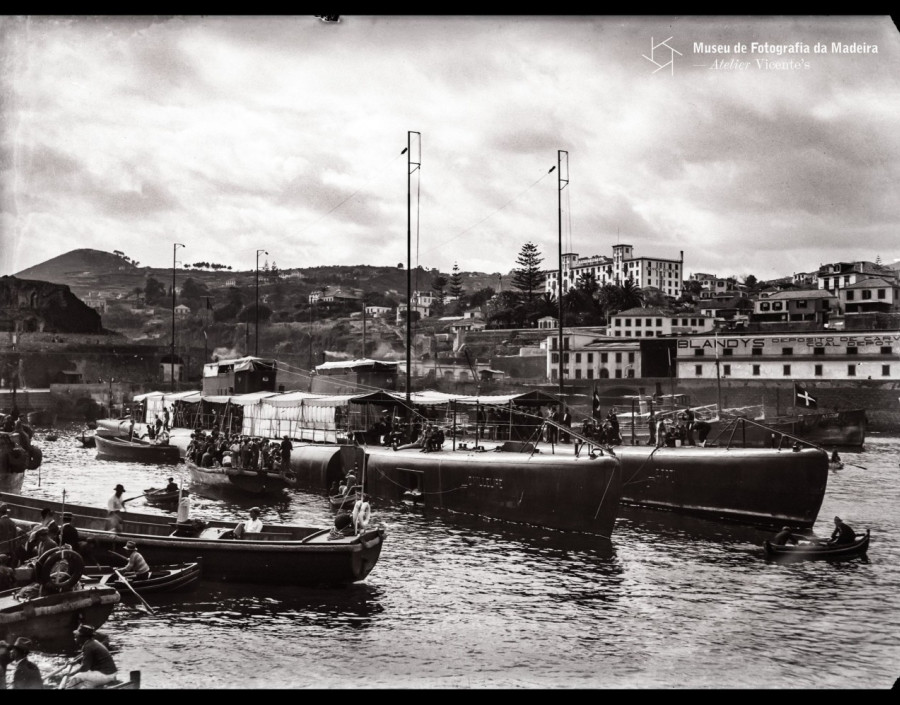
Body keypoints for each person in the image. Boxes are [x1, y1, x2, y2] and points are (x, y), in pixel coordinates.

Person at [67, 625, 117, 689]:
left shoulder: (88, 646)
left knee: (76, 677)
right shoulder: (92, 642)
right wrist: (75, 662)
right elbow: (84, 656)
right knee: (83, 685)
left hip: (105, 675)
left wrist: (70, 674)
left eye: (76, 636)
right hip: (111, 674)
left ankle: (67, 687)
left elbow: (85, 668)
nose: (75, 638)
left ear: (83, 637)